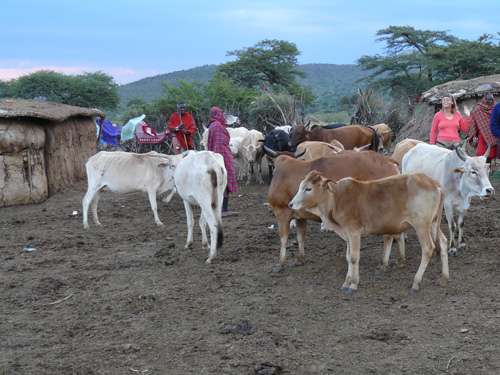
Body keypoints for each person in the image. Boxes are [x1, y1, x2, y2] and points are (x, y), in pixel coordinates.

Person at [207, 106, 238, 216]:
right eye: (220, 113)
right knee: (225, 182)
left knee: (218, 183)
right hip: (222, 157)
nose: (222, 116)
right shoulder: (218, 126)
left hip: (215, 156)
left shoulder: (212, 126)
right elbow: (220, 146)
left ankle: (217, 207)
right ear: (216, 114)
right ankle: (223, 209)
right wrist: (225, 158)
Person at [467, 93, 496, 159]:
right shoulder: (477, 110)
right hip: (482, 136)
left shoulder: (496, 108)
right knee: (480, 154)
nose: (490, 101)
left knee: (494, 156)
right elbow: (473, 124)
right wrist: (473, 135)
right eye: (488, 100)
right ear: (484, 100)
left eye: (491, 100)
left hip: (495, 136)